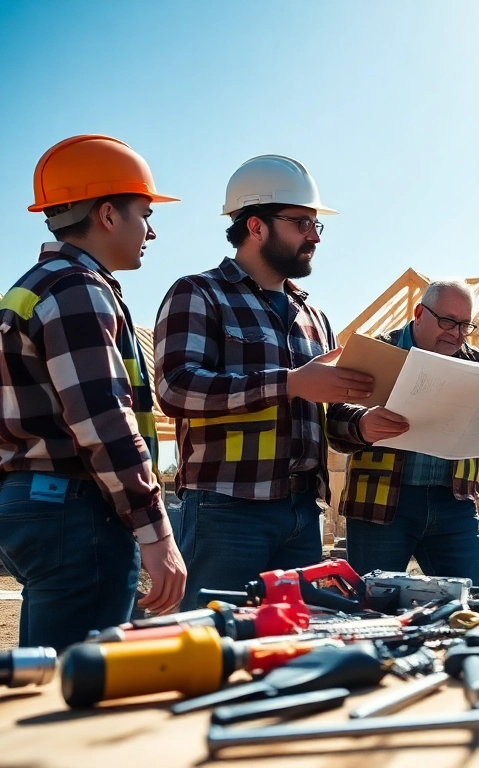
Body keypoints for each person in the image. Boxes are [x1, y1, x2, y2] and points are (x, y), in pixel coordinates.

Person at [0, 135, 187, 650]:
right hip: (75, 509)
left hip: (31, 502)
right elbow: (103, 419)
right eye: (144, 213)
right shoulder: (77, 289)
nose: (152, 231)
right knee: (80, 688)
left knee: (45, 672)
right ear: (108, 214)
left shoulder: (31, 288)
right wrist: (156, 533)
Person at [154, 154, 374, 609]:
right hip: (226, 510)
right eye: (301, 223)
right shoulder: (198, 293)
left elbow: (327, 418)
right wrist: (290, 383)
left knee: (291, 645)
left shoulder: (314, 317)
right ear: (255, 226)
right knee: (215, 644)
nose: (314, 236)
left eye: (317, 225)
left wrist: (366, 426)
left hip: (302, 512)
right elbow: (176, 388)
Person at [329, 280, 479, 586]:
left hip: (454, 504)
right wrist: (362, 425)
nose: (456, 333)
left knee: (471, 605)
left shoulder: (478, 362)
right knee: (373, 606)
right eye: (447, 322)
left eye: (465, 325)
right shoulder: (376, 352)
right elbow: (334, 424)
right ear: (419, 313)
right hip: (380, 503)